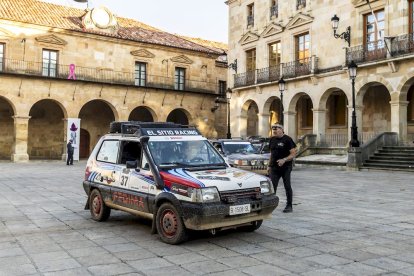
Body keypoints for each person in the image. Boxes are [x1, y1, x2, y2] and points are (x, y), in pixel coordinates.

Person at [267, 124, 297, 213]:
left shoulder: (287, 139)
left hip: (286, 167)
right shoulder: (272, 139)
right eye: (273, 129)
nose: (274, 130)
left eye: (276, 128)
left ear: (281, 129)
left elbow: (293, 153)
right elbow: (271, 154)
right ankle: (271, 206)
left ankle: (289, 205)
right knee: (272, 187)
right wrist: (269, 165)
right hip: (274, 167)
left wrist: (284, 159)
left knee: (287, 186)